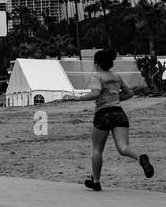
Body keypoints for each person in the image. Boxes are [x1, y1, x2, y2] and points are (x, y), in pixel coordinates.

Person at [63, 49, 154, 190]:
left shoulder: (97, 76)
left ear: (97, 64)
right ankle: (140, 158)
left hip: (103, 114)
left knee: (97, 150)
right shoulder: (117, 76)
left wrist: (78, 98)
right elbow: (130, 93)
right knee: (123, 148)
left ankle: (96, 182)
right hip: (119, 113)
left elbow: (96, 93)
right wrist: (116, 99)